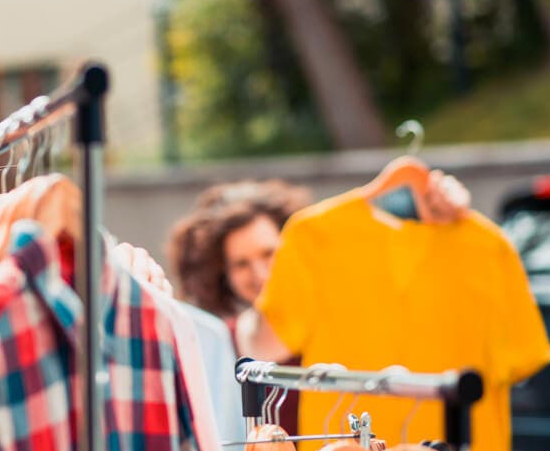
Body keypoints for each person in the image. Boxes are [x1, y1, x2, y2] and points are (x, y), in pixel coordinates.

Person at [166, 173, 471, 432]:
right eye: (240, 264)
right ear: (222, 273)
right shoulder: (221, 343)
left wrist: (441, 206)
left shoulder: (341, 316)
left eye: (269, 254)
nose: (259, 274)